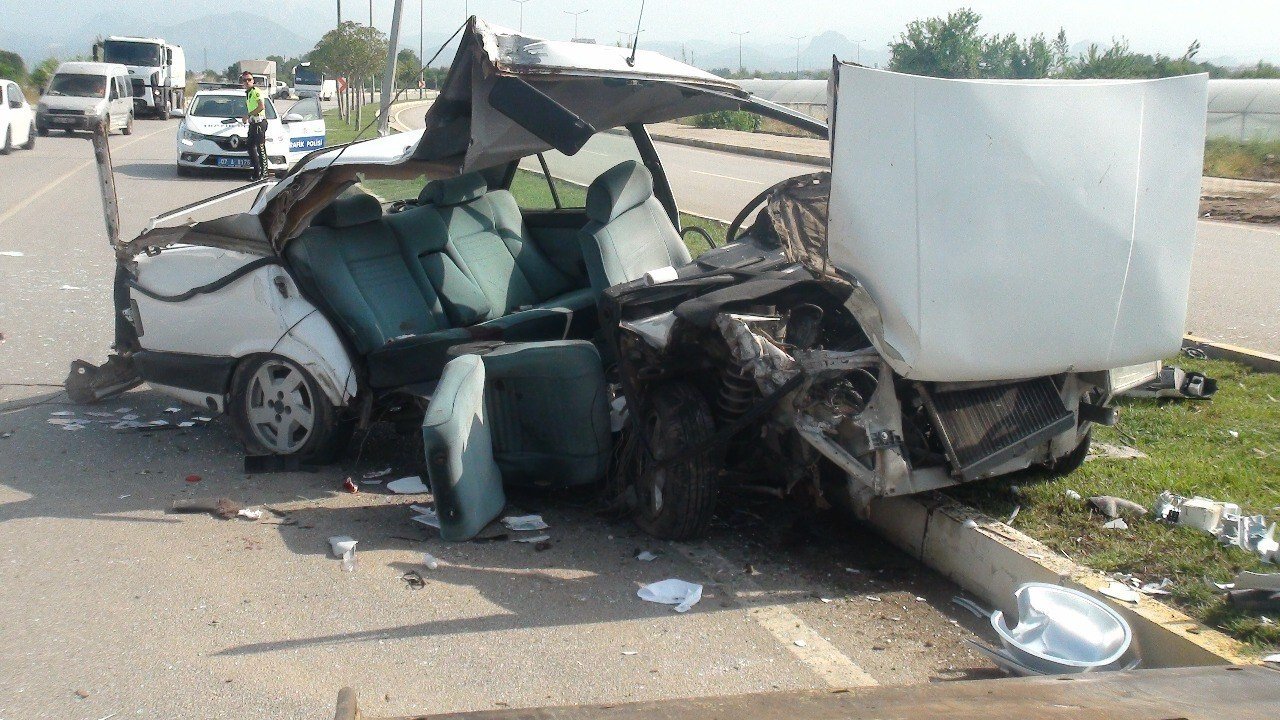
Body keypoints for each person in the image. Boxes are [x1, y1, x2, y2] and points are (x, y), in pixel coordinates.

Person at [239, 71, 268, 181]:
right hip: (253, 123)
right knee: (250, 146)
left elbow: (261, 106)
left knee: (260, 148)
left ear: (253, 81)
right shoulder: (248, 93)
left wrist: (248, 115)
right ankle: (256, 172)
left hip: (259, 123)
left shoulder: (256, 92)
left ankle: (264, 174)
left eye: (249, 80)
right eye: (244, 80)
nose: (247, 82)